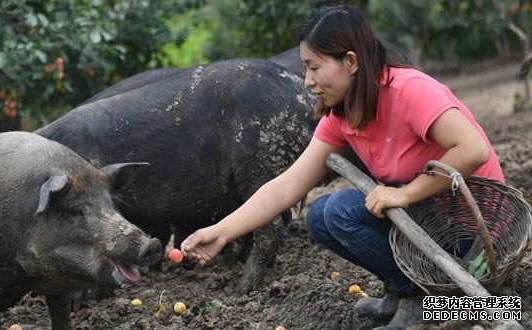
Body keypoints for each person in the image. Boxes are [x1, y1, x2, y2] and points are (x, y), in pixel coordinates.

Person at [181, 4, 505, 330]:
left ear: (351, 61)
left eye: (314, 67)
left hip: (474, 229)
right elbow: (286, 187)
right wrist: (220, 232)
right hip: (426, 220)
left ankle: (430, 301)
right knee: (323, 216)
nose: (307, 81)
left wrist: (407, 193)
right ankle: (415, 292)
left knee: (338, 210)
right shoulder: (343, 115)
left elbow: (472, 149)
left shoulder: (409, 90)